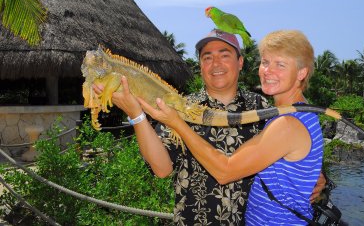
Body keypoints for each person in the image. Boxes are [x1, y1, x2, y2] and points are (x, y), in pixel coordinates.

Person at [94, 29, 325, 225]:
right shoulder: (180, 106)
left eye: (224, 55)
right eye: (207, 57)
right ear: (200, 66)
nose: (216, 64)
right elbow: (162, 169)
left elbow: (294, 149)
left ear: (240, 62)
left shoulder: (263, 108)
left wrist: (316, 177)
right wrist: (136, 115)